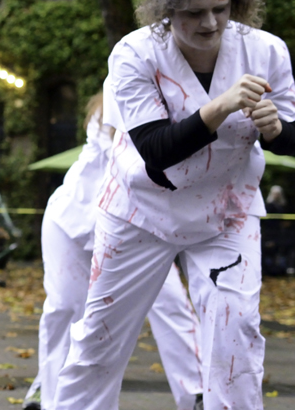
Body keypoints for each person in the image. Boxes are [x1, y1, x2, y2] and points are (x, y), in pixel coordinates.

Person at [53, 0, 295, 410]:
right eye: (193, 13)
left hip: (227, 213)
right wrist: (222, 105)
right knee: (99, 340)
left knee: (236, 333)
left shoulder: (266, 50)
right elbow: (157, 149)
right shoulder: (134, 54)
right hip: (140, 212)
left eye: (221, 9)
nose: (210, 23)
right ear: (167, 11)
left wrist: (277, 130)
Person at [24, 93, 203, 410]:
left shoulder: (181, 99)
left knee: (171, 304)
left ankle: (198, 395)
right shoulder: (118, 98)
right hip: (72, 222)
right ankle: (50, 394)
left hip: (137, 231)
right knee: (65, 307)